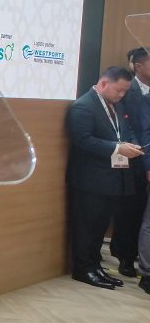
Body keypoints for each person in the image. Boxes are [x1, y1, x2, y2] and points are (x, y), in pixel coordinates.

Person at [66, 66, 145, 290]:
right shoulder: (83, 106)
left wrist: (130, 145)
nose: (122, 95)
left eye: (125, 91)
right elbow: (83, 140)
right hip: (90, 179)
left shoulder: (115, 105)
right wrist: (117, 148)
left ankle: (95, 266)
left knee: (100, 227)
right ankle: (83, 269)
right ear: (103, 83)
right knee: (87, 227)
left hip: (112, 179)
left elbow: (123, 131)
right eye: (119, 90)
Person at [117, 48, 150, 282]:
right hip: (134, 158)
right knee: (131, 210)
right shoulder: (127, 91)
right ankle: (126, 257)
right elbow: (126, 127)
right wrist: (144, 159)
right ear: (138, 66)